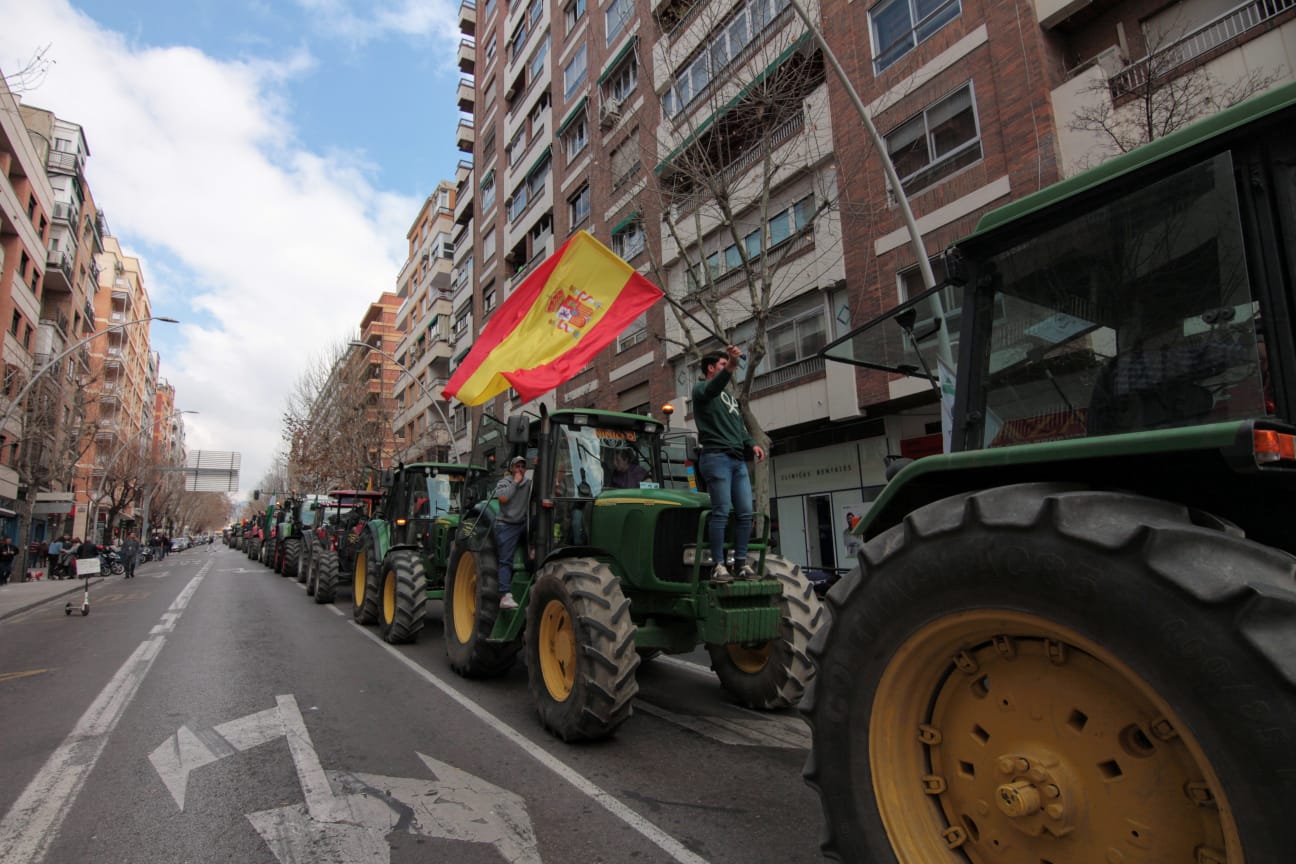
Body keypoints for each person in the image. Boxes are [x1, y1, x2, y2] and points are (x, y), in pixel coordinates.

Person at [693, 345, 766, 583]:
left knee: (745, 514)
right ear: (711, 368)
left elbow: (738, 426)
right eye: (723, 366)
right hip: (716, 457)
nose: (728, 370)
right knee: (721, 512)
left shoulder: (729, 396)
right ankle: (718, 565)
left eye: (729, 365)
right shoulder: (701, 389)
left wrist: (751, 443)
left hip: (736, 460)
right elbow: (712, 388)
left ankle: (741, 564)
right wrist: (733, 365)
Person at [492, 455, 531, 611]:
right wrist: (515, 482)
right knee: (505, 560)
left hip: (522, 523)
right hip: (506, 525)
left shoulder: (529, 484)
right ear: (512, 468)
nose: (520, 469)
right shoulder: (504, 483)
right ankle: (504, 596)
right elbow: (503, 498)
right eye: (517, 466)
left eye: (522, 466)